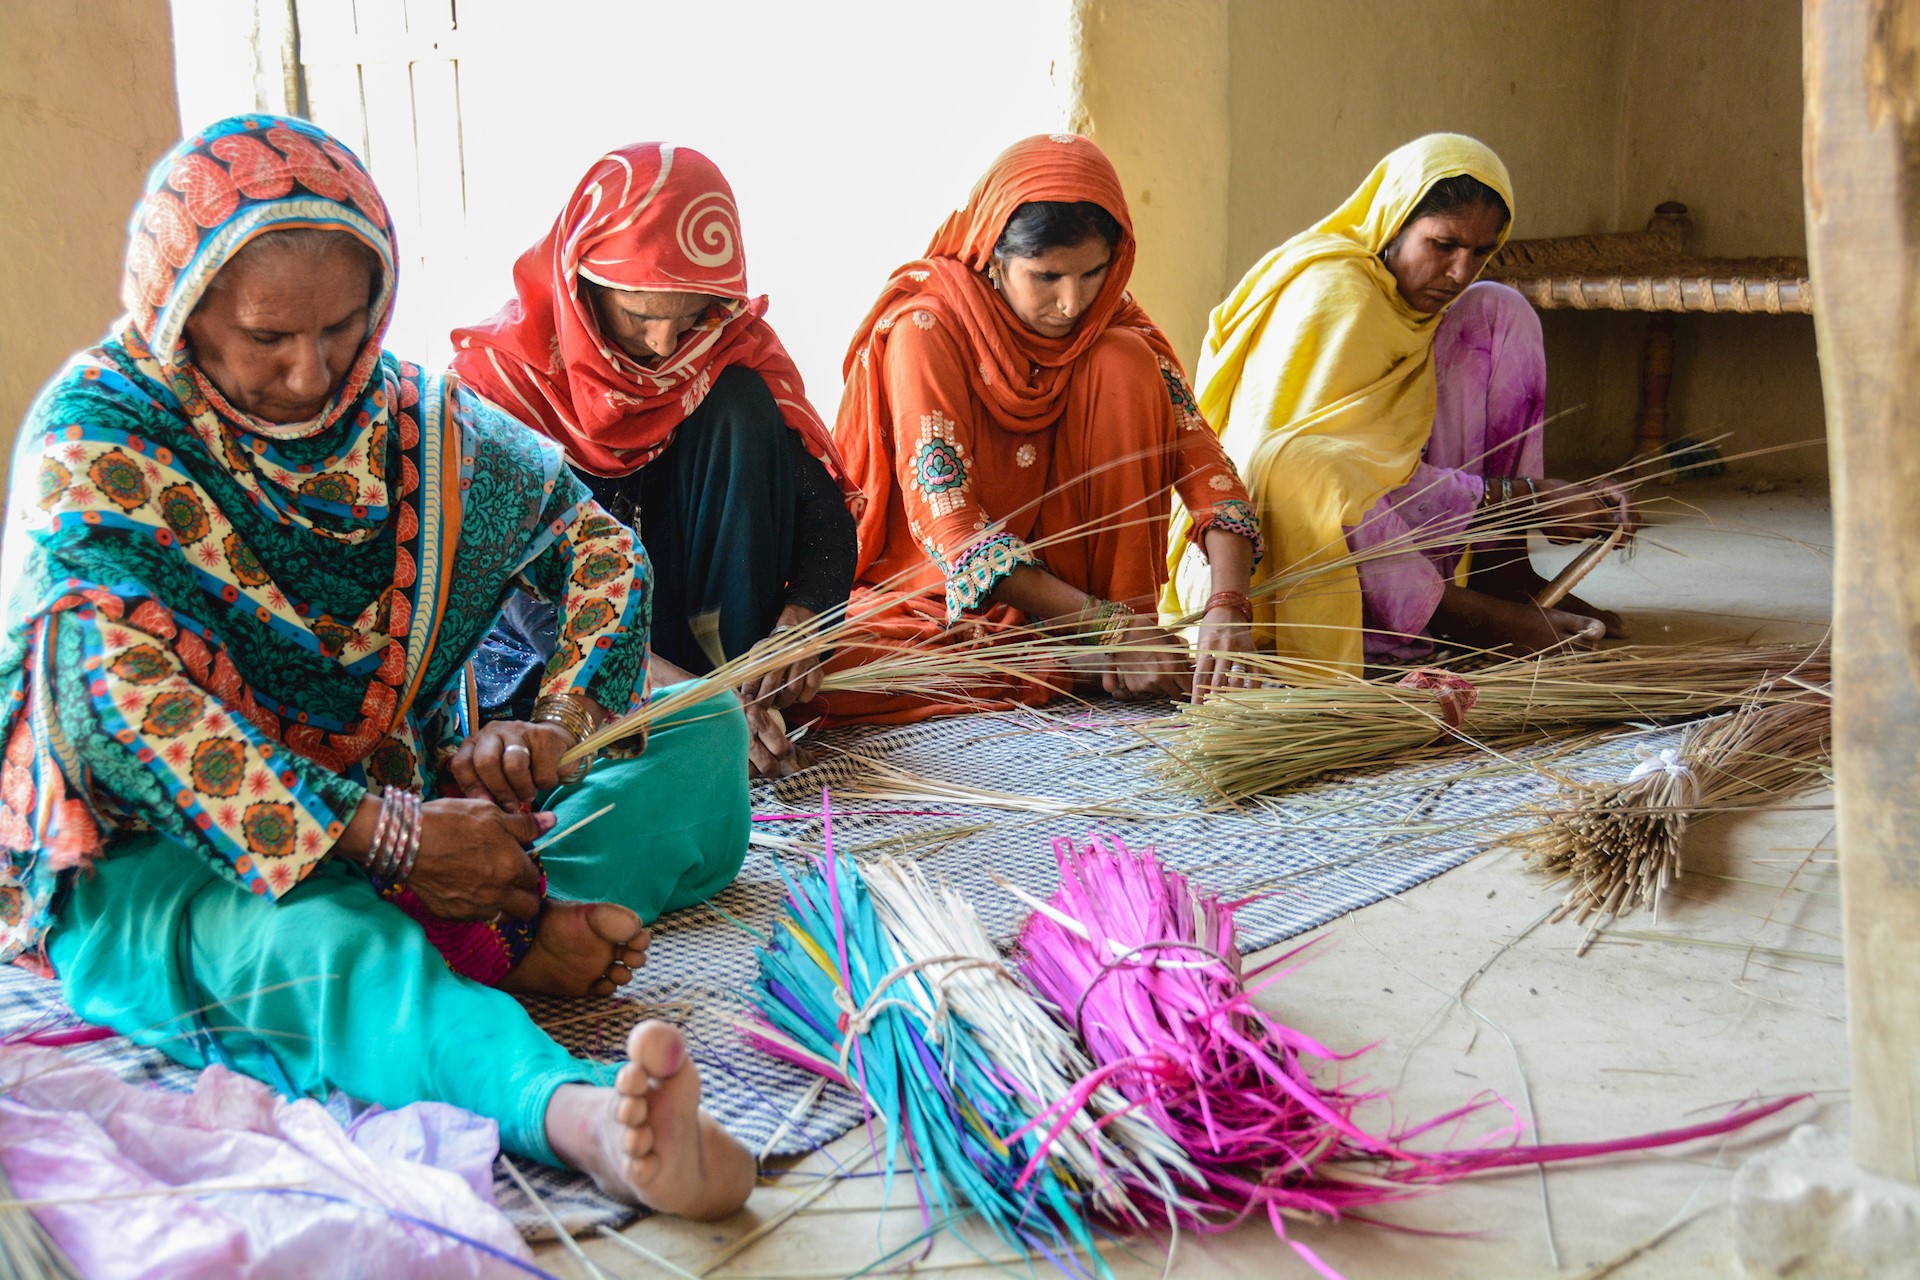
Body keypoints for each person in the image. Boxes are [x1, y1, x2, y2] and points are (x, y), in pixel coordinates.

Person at [0, 115, 754, 1219]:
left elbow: (592, 543)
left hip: (408, 810)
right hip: (164, 855)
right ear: (180, 313)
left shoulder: (408, 420)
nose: (311, 372)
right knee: (317, 942)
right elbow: (114, 704)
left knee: (700, 731)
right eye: (265, 337)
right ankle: (575, 1111)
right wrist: (388, 841)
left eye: (344, 329)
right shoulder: (100, 441)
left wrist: (550, 719)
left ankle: (509, 923)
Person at [451, 144, 859, 777]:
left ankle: (747, 701)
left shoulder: (727, 347)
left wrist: (800, 624)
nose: (666, 345)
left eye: (691, 315)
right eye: (640, 314)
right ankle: (705, 726)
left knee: (741, 400)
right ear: (580, 284)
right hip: (563, 656)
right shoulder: (502, 385)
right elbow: (528, 603)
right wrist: (688, 700)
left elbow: (823, 521)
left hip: (716, 649)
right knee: (538, 742)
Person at [826, 134, 1263, 723]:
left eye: (1093, 273)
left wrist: (1228, 605)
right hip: (946, 607)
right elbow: (952, 530)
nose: (1071, 303)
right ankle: (1081, 665)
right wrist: (1106, 631)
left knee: (1124, 358)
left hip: (1102, 612)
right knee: (821, 671)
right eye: (1047, 276)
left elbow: (1208, 470)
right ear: (995, 257)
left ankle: (1100, 655)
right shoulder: (927, 328)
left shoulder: (1112, 318)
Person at [1169, 133, 1636, 675]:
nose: (1461, 272)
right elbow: (1300, 482)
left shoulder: (1423, 305)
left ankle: (1501, 572)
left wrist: (1541, 503)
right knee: (1307, 465)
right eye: (1443, 245)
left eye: (1482, 251)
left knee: (1500, 311)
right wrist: (1530, 497)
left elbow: (1392, 471)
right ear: (1392, 224)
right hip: (1285, 559)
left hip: (1391, 520)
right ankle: (1458, 614)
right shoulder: (1335, 295)